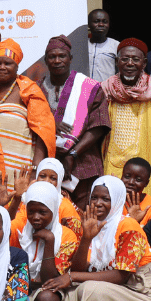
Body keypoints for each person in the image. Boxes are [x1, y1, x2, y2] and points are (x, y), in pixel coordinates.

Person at [0, 39, 54, 198]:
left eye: (7, 63)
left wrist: (35, 170)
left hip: (20, 169)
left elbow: (43, 133)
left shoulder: (29, 91)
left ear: (17, 66)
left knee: (19, 212)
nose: (1, 67)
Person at [100, 38, 151, 193]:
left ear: (144, 63)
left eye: (135, 59)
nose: (130, 63)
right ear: (117, 62)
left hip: (148, 166)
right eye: (125, 59)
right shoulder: (106, 90)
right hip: (112, 167)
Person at [38, 35, 110, 208]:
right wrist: (50, 123)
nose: (57, 61)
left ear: (70, 59)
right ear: (46, 61)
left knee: (84, 215)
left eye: (61, 56)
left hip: (84, 164)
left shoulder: (89, 87)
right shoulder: (36, 88)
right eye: (52, 57)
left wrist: (73, 154)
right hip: (48, 165)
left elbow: (99, 125)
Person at [13, 181, 79, 301]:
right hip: (21, 284)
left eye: (43, 212)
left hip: (49, 286)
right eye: (31, 211)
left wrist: (50, 242)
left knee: (47, 299)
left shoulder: (67, 236)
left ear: (54, 210)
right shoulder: (20, 229)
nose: (36, 217)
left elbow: (50, 280)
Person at [121, 157, 151, 226]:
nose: (131, 182)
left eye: (138, 180)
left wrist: (135, 222)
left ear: (146, 183)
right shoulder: (113, 200)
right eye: (127, 176)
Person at [86, 9, 119, 83]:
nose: (101, 24)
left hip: (106, 91)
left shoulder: (116, 46)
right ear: (88, 24)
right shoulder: (82, 45)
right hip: (84, 91)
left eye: (105, 22)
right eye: (96, 21)